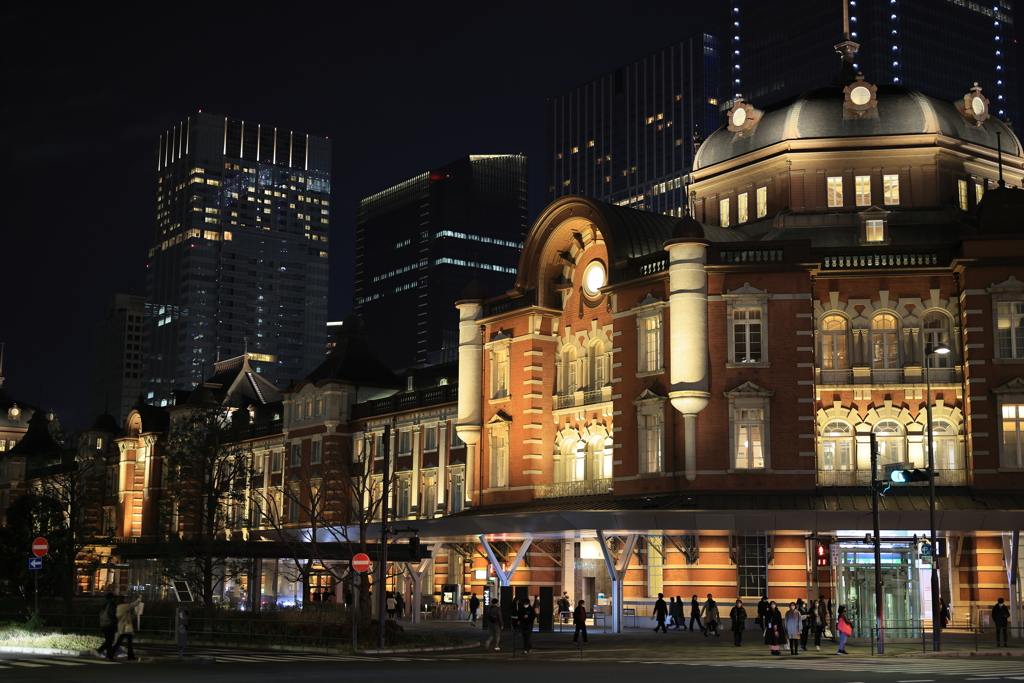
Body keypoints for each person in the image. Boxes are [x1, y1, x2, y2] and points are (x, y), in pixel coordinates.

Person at [109, 595, 142, 661]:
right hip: (126, 627)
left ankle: (129, 655)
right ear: (122, 600)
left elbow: (126, 615)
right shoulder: (124, 606)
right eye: (125, 599)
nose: (126, 600)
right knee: (125, 642)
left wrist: (132, 616)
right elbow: (133, 604)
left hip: (122, 626)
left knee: (122, 641)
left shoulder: (118, 607)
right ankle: (111, 654)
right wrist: (139, 599)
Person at [95, 592, 117, 659]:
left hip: (104, 623)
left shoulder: (103, 604)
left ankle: (109, 655)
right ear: (112, 598)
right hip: (110, 624)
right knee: (110, 640)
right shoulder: (111, 604)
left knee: (108, 640)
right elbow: (113, 614)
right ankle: (100, 650)